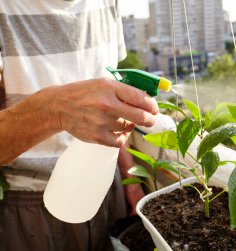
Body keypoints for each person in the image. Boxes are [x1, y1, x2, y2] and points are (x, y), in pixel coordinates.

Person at [0, 0, 157, 250]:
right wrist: (52, 109)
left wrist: (131, 181)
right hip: (32, 205)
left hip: (107, 188)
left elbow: (109, 108)